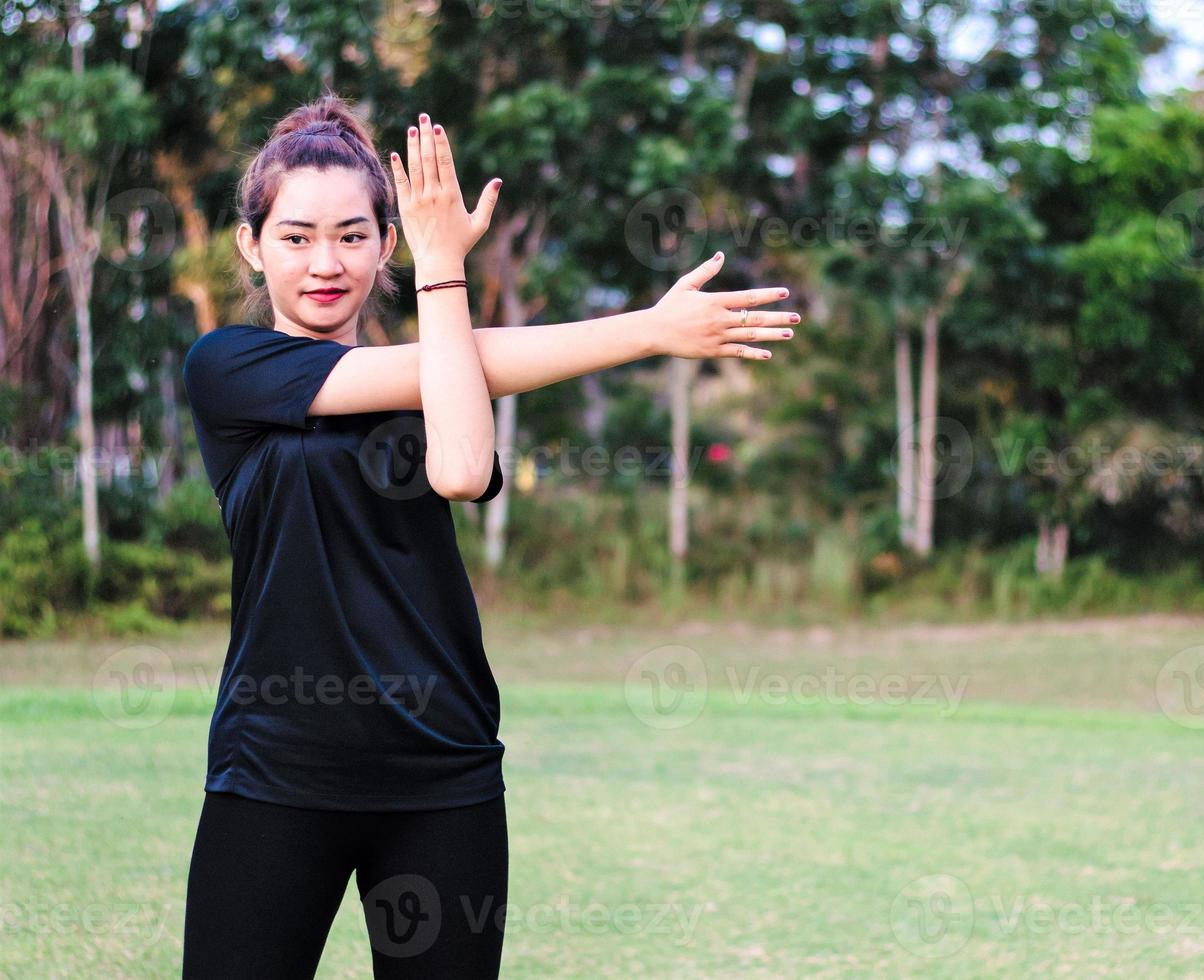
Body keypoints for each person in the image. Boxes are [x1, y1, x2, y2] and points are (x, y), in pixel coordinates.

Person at [180, 89, 799, 978]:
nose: (326, 262)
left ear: (387, 244)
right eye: (297, 236)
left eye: (354, 236)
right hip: (274, 773)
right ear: (251, 244)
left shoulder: (442, 375)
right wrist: (648, 330)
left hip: (441, 773)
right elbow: (446, 364)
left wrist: (446, 268)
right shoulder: (226, 369)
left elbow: (463, 468)